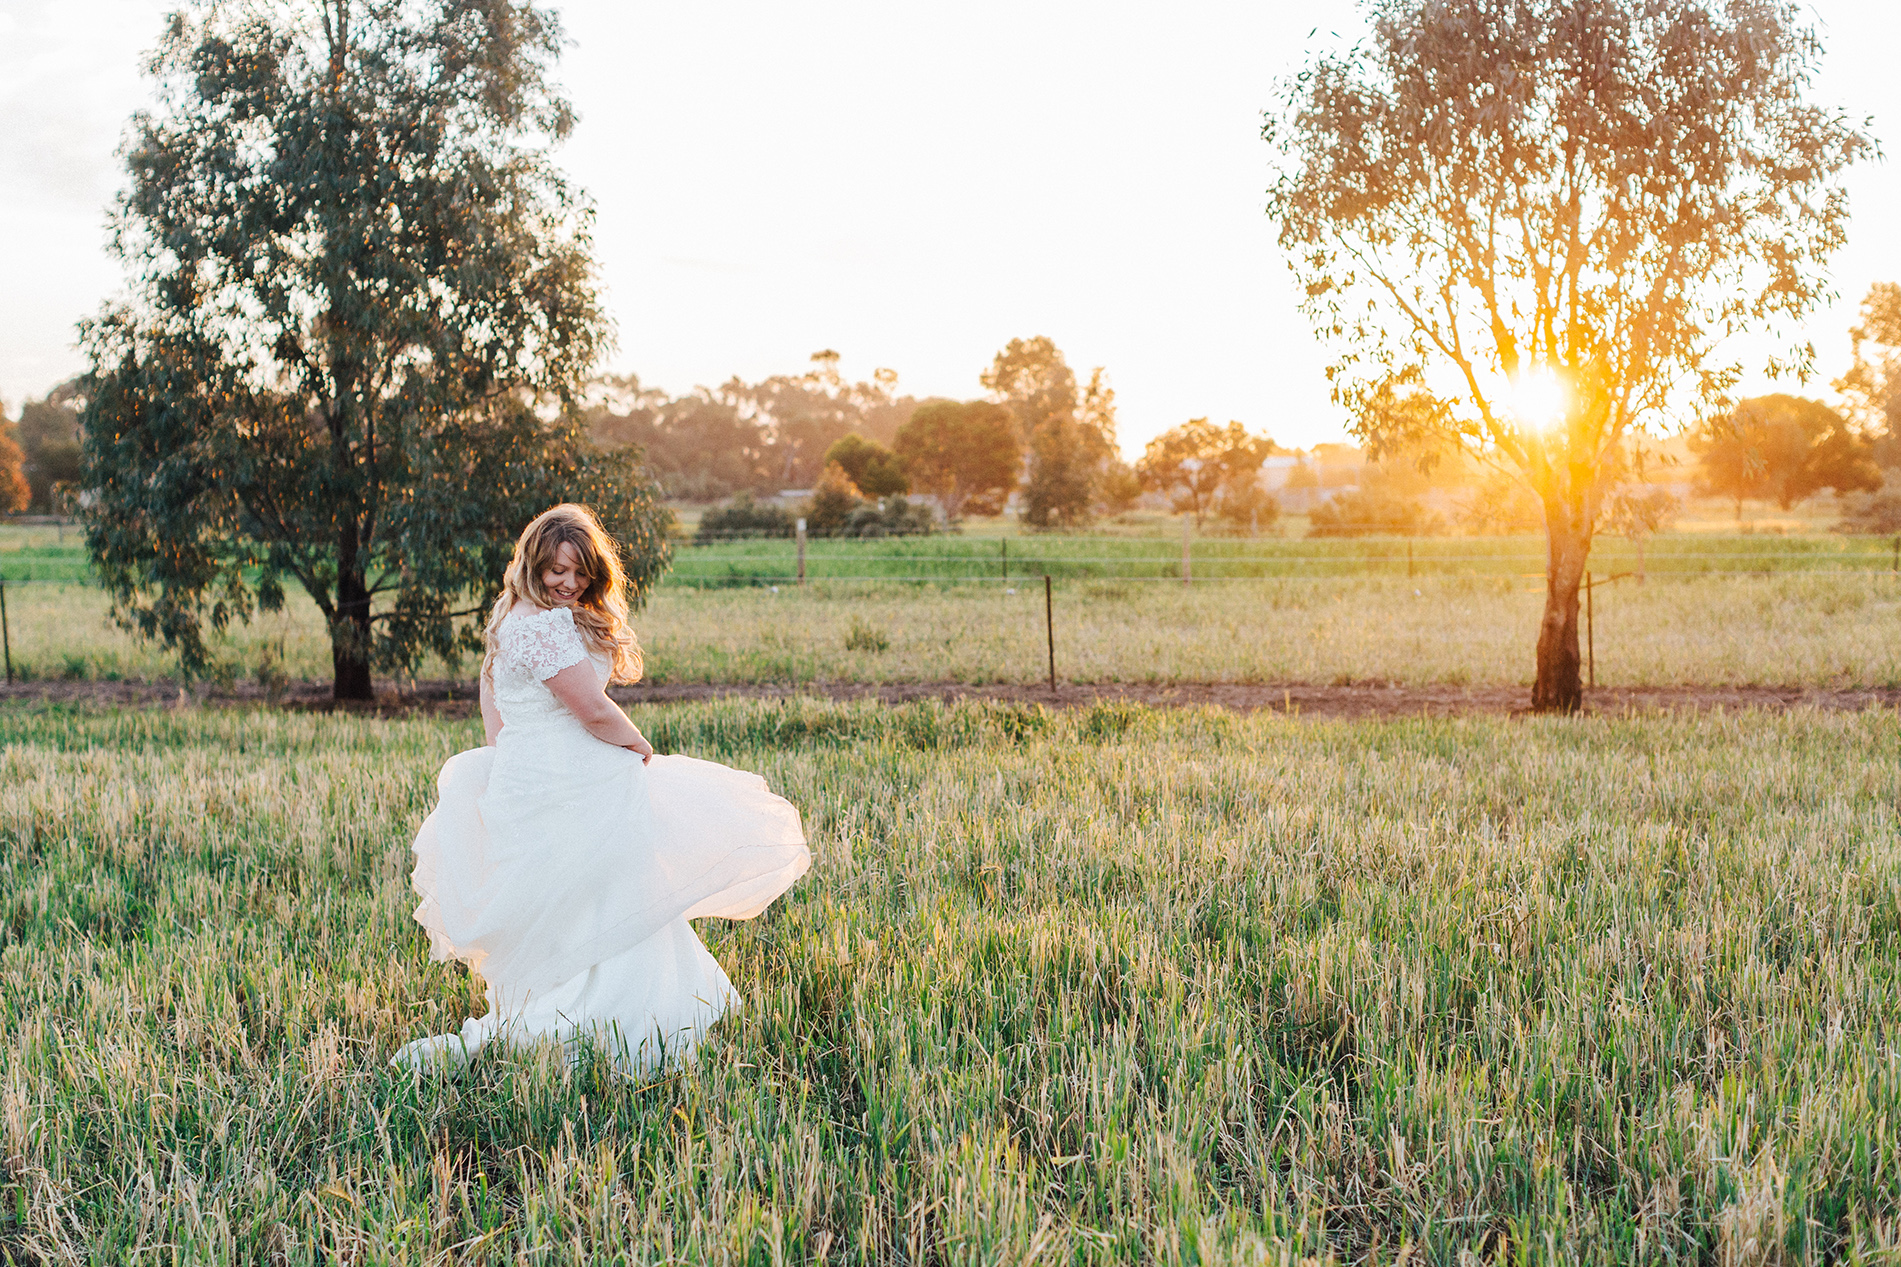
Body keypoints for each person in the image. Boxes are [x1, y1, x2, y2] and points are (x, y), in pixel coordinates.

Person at [393, 504, 810, 1075]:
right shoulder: (539, 624)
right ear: (533, 563)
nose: (569, 583)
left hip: (542, 774)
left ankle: (596, 1004)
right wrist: (641, 750)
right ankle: (598, 1018)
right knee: (603, 892)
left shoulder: (513, 614)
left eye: (581, 573)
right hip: (567, 776)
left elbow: (492, 699)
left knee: (588, 895)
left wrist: (511, 758)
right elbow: (592, 710)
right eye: (556, 571)